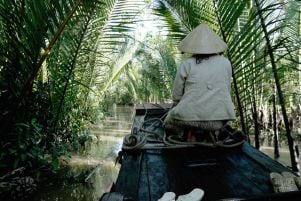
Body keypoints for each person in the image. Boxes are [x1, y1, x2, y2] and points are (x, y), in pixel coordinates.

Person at [164, 24, 236, 143]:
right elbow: (226, 90)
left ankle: (183, 138)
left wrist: (176, 107)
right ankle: (214, 135)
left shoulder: (187, 64)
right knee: (220, 124)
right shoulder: (226, 63)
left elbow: (177, 95)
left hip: (188, 120)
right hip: (220, 121)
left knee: (168, 123)